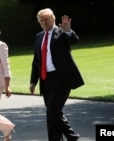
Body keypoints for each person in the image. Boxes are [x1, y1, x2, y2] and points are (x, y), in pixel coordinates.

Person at [29, 8, 84, 141]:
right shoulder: (39, 37)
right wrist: (33, 81)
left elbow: (74, 40)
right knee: (52, 115)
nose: (44, 22)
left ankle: (72, 136)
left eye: (46, 19)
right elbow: (36, 61)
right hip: (46, 79)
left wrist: (68, 31)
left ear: (53, 19)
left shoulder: (61, 33)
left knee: (52, 112)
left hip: (62, 79)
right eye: (41, 21)